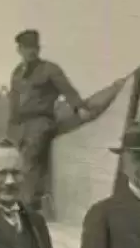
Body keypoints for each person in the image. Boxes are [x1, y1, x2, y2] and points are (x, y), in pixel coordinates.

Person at [7, 29, 91, 210]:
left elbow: (67, 89)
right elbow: (14, 102)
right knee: (15, 162)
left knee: (30, 160)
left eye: (34, 47)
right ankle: (17, 203)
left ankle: (27, 206)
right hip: (20, 125)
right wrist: (11, 127)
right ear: (19, 50)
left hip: (40, 121)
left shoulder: (49, 69)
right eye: (26, 48)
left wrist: (79, 107)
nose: (31, 51)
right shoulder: (17, 73)